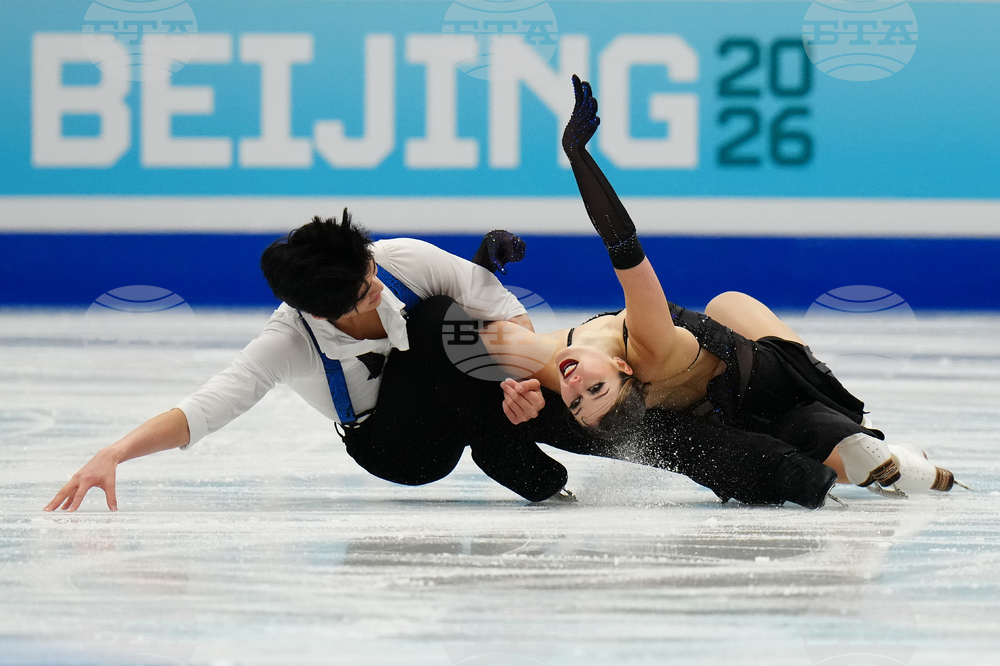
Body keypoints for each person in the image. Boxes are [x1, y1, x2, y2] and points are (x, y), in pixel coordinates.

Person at [45, 212, 840, 513]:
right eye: (358, 291)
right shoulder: (286, 344)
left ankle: (781, 468)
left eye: (367, 271)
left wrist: (529, 387)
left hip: (484, 401)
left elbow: (510, 324)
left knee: (467, 340)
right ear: (319, 313)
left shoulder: (401, 258)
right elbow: (205, 408)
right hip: (399, 447)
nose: (374, 286)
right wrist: (114, 453)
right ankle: (508, 450)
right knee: (432, 329)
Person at [482, 76, 962, 498]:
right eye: (590, 395)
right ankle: (875, 445)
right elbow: (622, 244)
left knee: (737, 320)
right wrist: (579, 158)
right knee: (740, 322)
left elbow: (489, 331)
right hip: (757, 380)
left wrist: (484, 262)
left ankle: (874, 449)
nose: (575, 387)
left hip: (729, 410)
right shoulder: (643, 344)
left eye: (579, 397)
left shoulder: (554, 368)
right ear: (622, 366)